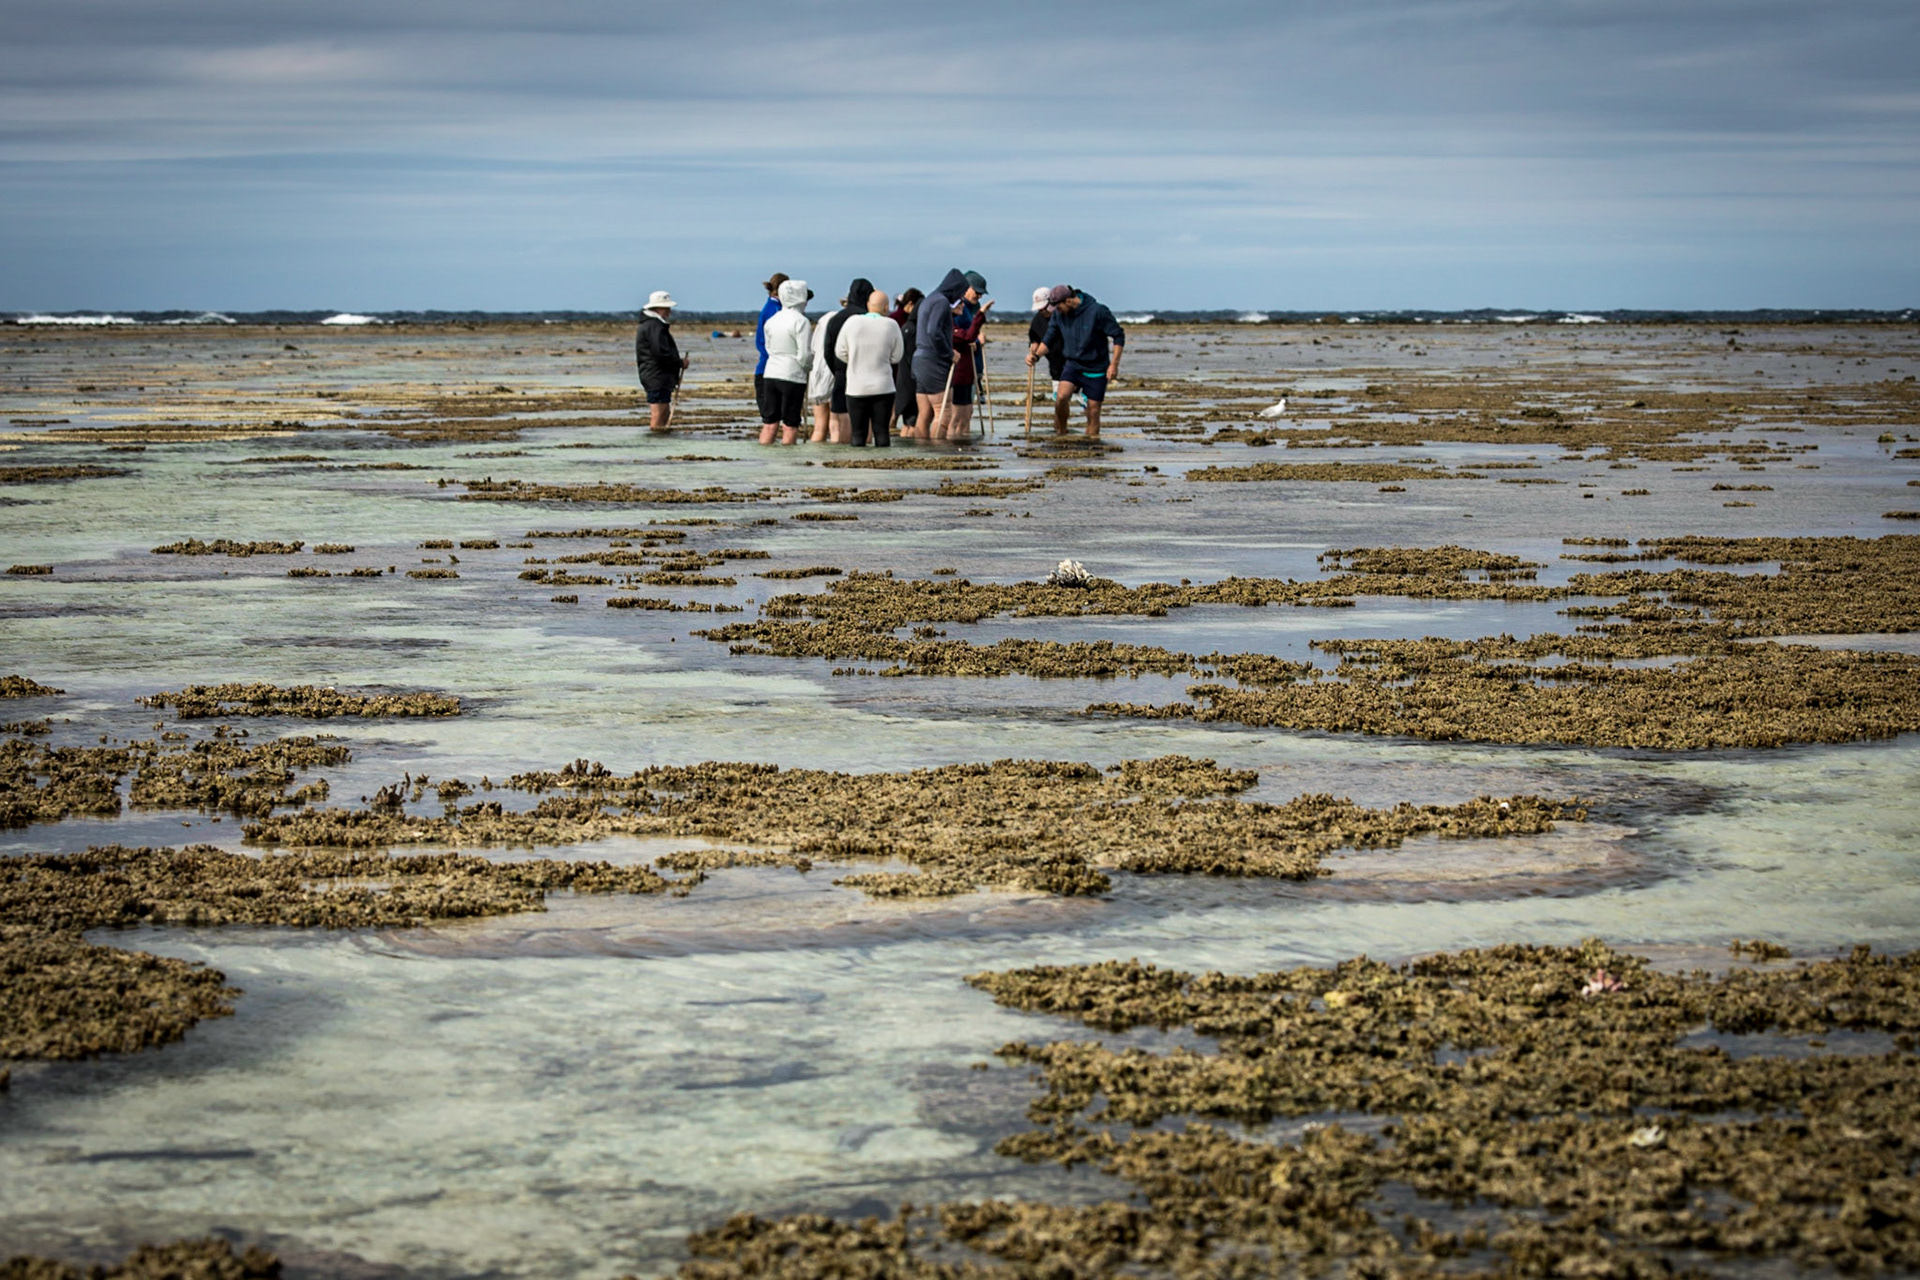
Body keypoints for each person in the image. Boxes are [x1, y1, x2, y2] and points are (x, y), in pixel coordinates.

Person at [1028, 284, 1124, 438]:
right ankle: (1061, 434)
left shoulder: (1098, 311)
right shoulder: (1058, 315)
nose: (1055, 312)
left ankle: (1091, 444)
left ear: (1068, 301)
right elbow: (1049, 339)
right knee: (1061, 397)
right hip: (1073, 365)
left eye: (1057, 307)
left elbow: (1118, 336)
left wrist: (1114, 365)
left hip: (1096, 367)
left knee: (1093, 411)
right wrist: (1036, 356)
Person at [835, 289, 904, 447]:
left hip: (856, 388)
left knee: (858, 434)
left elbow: (840, 352)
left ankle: (860, 470)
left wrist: (854, 360)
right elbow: (897, 357)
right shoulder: (891, 325)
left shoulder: (852, 322)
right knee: (882, 432)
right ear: (886, 307)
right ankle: (884, 468)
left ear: (867, 305)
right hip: (883, 387)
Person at [910, 267, 974, 439]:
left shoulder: (929, 299)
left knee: (925, 414)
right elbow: (934, 331)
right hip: (933, 361)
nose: (961, 298)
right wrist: (949, 353)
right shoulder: (941, 302)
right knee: (943, 413)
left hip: (919, 360)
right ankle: (938, 455)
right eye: (961, 293)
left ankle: (922, 452)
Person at [758, 279, 812, 445]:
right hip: (792, 375)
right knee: (790, 424)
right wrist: (808, 367)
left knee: (769, 423)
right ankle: (788, 465)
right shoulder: (801, 321)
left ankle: (764, 458)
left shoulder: (772, 320)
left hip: (771, 373)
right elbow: (803, 354)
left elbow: (768, 347)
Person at [938, 281, 993, 440]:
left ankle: (962, 442)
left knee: (967, 413)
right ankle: (951, 446)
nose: (963, 305)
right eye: (959, 304)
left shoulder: (961, 319)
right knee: (956, 417)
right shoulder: (950, 325)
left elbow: (969, 337)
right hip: (957, 375)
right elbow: (966, 336)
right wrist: (981, 314)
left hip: (967, 374)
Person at [822, 278, 874, 446]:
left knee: (837, 423)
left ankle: (837, 465)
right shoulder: (867, 319)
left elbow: (827, 351)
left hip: (840, 375)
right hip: (863, 377)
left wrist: (837, 370)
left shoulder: (835, 319)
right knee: (864, 425)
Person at [633, 290, 688, 431]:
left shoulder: (654, 325)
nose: (669, 311)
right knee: (658, 414)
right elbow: (660, 353)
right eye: (666, 308)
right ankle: (654, 447)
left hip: (659, 376)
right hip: (656, 376)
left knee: (664, 412)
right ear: (656, 308)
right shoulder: (654, 326)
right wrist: (680, 363)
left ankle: (662, 444)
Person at [753, 273, 788, 431]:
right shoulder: (774, 310)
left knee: (772, 419)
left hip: (768, 369)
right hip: (770, 370)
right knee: (772, 420)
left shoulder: (772, 308)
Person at [889, 288, 923, 438]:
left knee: (901, 412)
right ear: (910, 304)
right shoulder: (903, 322)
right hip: (900, 368)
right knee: (902, 411)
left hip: (898, 367)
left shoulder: (899, 320)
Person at [807, 296, 840, 443]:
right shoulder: (837, 328)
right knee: (835, 423)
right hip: (832, 376)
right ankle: (834, 458)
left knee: (819, 426)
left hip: (816, 376)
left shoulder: (820, 329)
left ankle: (816, 459)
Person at [1027, 286, 1065, 388]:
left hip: (1073, 366)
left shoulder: (1064, 315)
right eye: (1039, 309)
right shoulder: (1037, 319)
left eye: (1044, 308)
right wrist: (1033, 349)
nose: (1043, 312)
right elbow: (1034, 337)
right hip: (1055, 367)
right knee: (1059, 400)